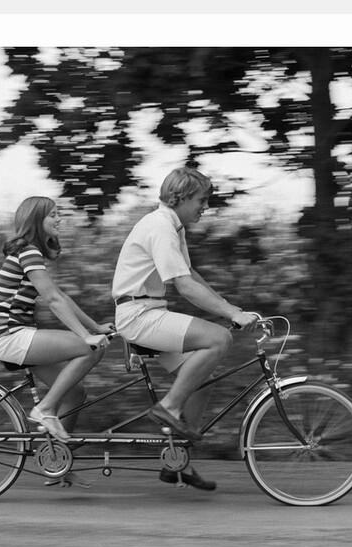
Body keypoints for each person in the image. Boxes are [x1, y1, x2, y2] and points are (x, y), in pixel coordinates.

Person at [111, 167, 259, 491]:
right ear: (180, 197)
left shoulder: (173, 227)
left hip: (148, 310)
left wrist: (232, 308)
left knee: (203, 383)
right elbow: (184, 287)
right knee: (220, 339)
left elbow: (189, 274)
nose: (205, 207)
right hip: (138, 314)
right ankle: (168, 407)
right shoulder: (160, 227)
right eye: (201, 200)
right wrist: (230, 315)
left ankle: (176, 463)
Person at [0, 196, 114, 487]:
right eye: (53, 215)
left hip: (17, 335)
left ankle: (58, 463)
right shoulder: (28, 251)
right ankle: (44, 411)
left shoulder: (32, 254)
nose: (59, 219)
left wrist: (96, 327)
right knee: (88, 350)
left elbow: (62, 296)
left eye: (59, 214)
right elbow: (54, 300)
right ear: (36, 221)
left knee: (75, 394)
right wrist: (87, 337)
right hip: (8, 334)